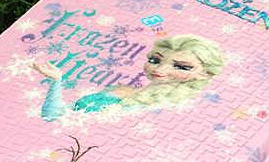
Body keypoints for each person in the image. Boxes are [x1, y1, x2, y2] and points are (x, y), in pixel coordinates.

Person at [32, 34, 225, 121]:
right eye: (155, 60)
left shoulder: (168, 109)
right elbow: (53, 117)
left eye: (181, 67)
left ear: (205, 73)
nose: (160, 69)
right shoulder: (121, 89)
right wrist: (56, 81)